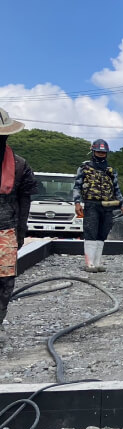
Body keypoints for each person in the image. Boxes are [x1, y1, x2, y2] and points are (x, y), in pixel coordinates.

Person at [0, 107, 38, 328]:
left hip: (6, 230)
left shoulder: (19, 165)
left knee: (5, 282)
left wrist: (21, 231)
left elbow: (25, 199)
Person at [73, 139, 123, 272]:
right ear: (93, 151)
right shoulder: (84, 168)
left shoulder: (110, 170)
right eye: (98, 152)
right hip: (91, 204)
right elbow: (77, 186)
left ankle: (97, 263)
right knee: (90, 232)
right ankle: (89, 263)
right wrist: (77, 202)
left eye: (103, 152)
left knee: (102, 233)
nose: (101, 154)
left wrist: (122, 205)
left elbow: (116, 189)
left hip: (107, 205)